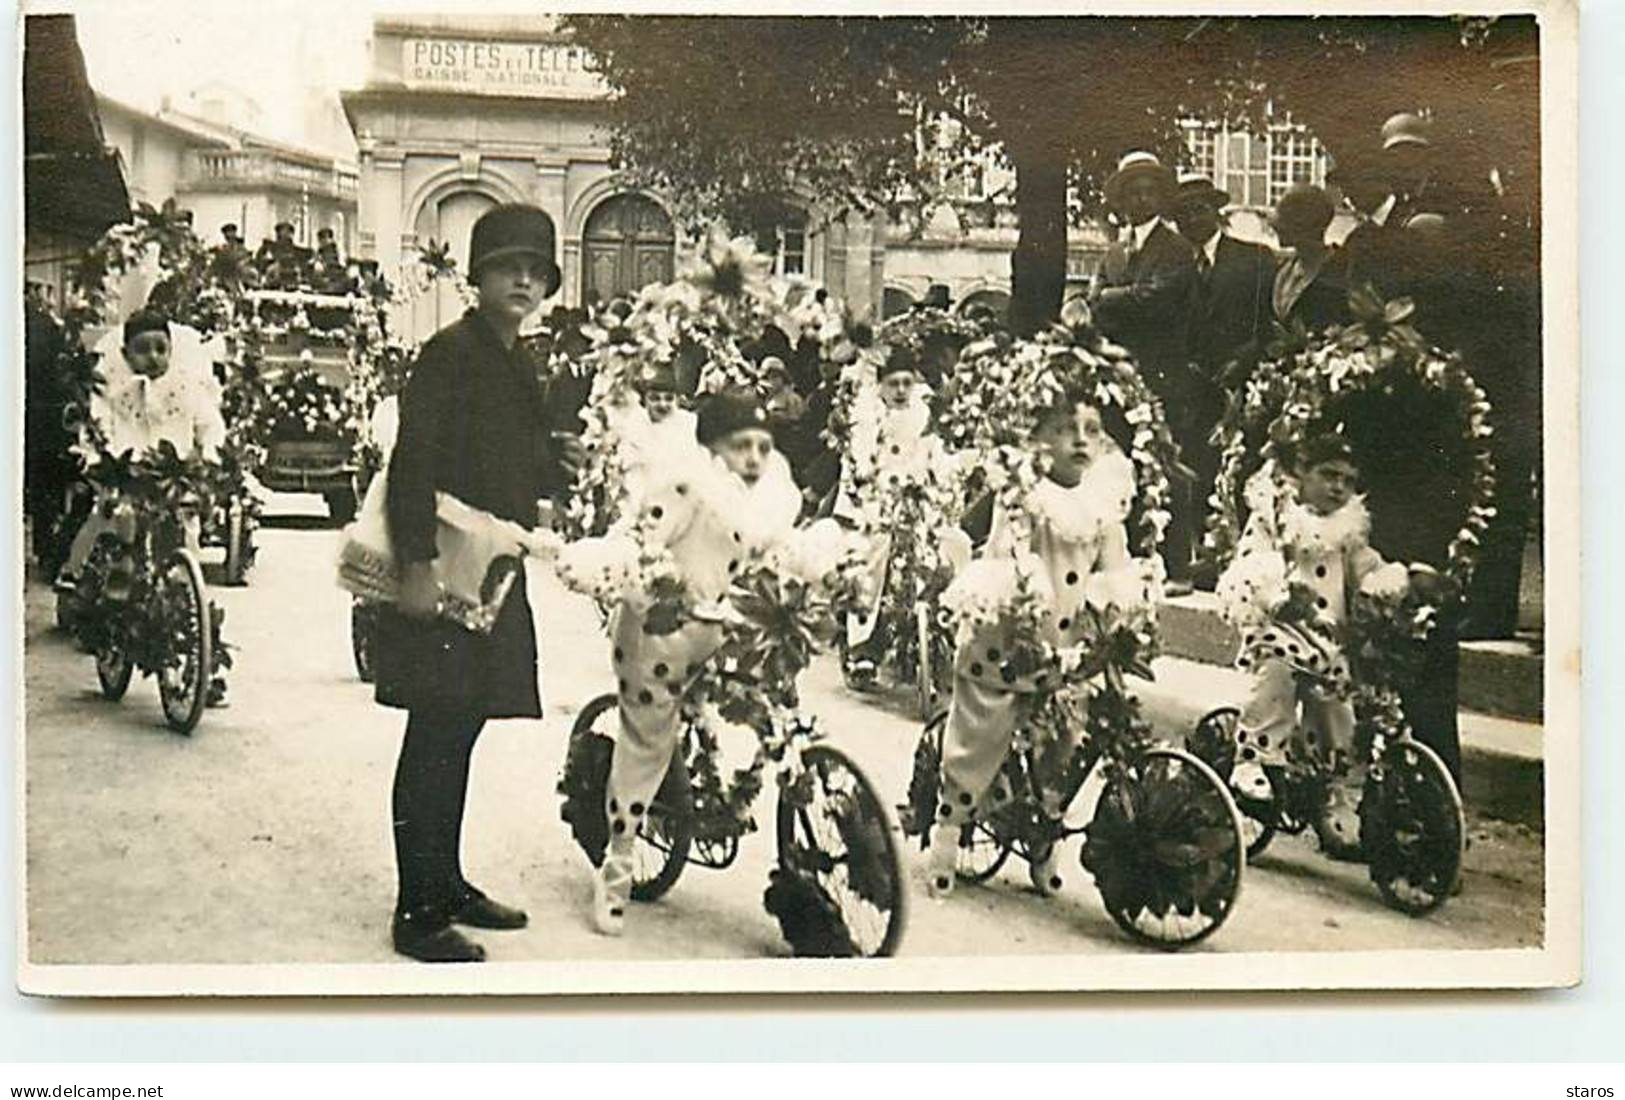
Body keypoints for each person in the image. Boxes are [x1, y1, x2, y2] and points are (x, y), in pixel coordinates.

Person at [374, 203, 573, 964]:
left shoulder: (514, 353)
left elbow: (518, 449)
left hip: (489, 565)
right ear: (477, 276)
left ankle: (445, 880)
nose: (523, 279)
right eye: (506, 266)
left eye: (536, 269)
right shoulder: (448, 353)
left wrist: (548, 491)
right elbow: (412, 465)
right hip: (444, 565)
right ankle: (415, 911)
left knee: (461, 726)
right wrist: (415, 565)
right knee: (434, 728)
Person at [564, 390, 802, 937]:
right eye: (741, 445)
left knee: (777, 714)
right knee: (647, 743)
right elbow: (638, 538)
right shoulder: (682, 486)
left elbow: (777, 557)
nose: (755, 459)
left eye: (764, 447)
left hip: (722, 629)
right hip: (658, 631)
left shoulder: (769, 498)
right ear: (710, 446)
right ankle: (616, 873)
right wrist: (655, 579)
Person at [925, 390, 1155, 899]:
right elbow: (1015, 561)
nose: (1079, 440)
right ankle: (948, 829)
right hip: (1012, 637)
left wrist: (1120, 613)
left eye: (1092, 430)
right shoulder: (1022, 495)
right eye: (1064, 428)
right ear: (1039, 439)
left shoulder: (1104, 507)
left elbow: (1114, 571)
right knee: (981, 736)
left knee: (1065, 741)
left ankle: (1044, 833)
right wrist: (1028, 611)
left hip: (1070, 645)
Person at [1215, 433, 1418, 851]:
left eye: (1347, 479)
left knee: (1336, 701)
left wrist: (1387, 583)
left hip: (1328, 640)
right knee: (1278, 674)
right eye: (1327, 475)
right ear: (1299, 474)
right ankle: (1253, 758)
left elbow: (1365, 566)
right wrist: (1278, 593)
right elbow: (1254, 559)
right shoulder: (1278, 518)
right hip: (1282, 627)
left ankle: (1330, 790)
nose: (1338, 487)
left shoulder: (1348, 531)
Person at [1089, 151, 1199, 586]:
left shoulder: (1177, 249)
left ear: (1161, 195)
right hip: (1119, 376)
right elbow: (1096, 300)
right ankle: (1132, 556)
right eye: (1132, 190)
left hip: (1162, 373)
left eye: (1149, 189)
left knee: (1165, 463)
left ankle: (1178, 565)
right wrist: (1114, 300)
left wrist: (1115, 299)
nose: (1141, 197)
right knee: (1120, 462)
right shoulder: (1114, 252)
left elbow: (1157, 299)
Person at [56, 310, 229, 590]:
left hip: (173, 477)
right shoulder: (112, 391)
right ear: (125, 354)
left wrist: (210, 453)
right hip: (126, 476)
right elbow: (97, 428)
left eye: (161, 349)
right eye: (142, 350)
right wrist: (100, 459)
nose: (153, 357)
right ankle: (77, 574)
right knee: (111, 517)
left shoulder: (186, 389)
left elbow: (210, 424)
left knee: (186, 523)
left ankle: (184, 592)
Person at [1171, 173, 1276, 585]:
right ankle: (1206, 554)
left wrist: (1244, 359)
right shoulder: (1176, 263)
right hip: (1193, 387)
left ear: (1218, 212)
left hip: (1241, 382)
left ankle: (1243, 555)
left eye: (1199, 210)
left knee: (1242, 466)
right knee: (1196, 466)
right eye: (1182, 215)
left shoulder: (1255, 258)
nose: (1192, 220)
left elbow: (1268, 321)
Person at [833, 351, 945, 680]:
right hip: (875, 501)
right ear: (880, 385)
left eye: (906, 383)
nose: (899, 390)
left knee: (929, 553)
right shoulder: (867, 415)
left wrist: (941, 479)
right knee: (874, 559)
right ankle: (862, 646)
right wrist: (868, 477)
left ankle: (927, 635)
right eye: (893, 383)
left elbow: (935, 455)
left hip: (914, 499)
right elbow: (859, 458)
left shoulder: (923, 414)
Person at [1271, 185, 1352, 333]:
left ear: (1305, 225)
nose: (1275, 227)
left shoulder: (1340, 270)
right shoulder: (1285, 269)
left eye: (1285, 219)